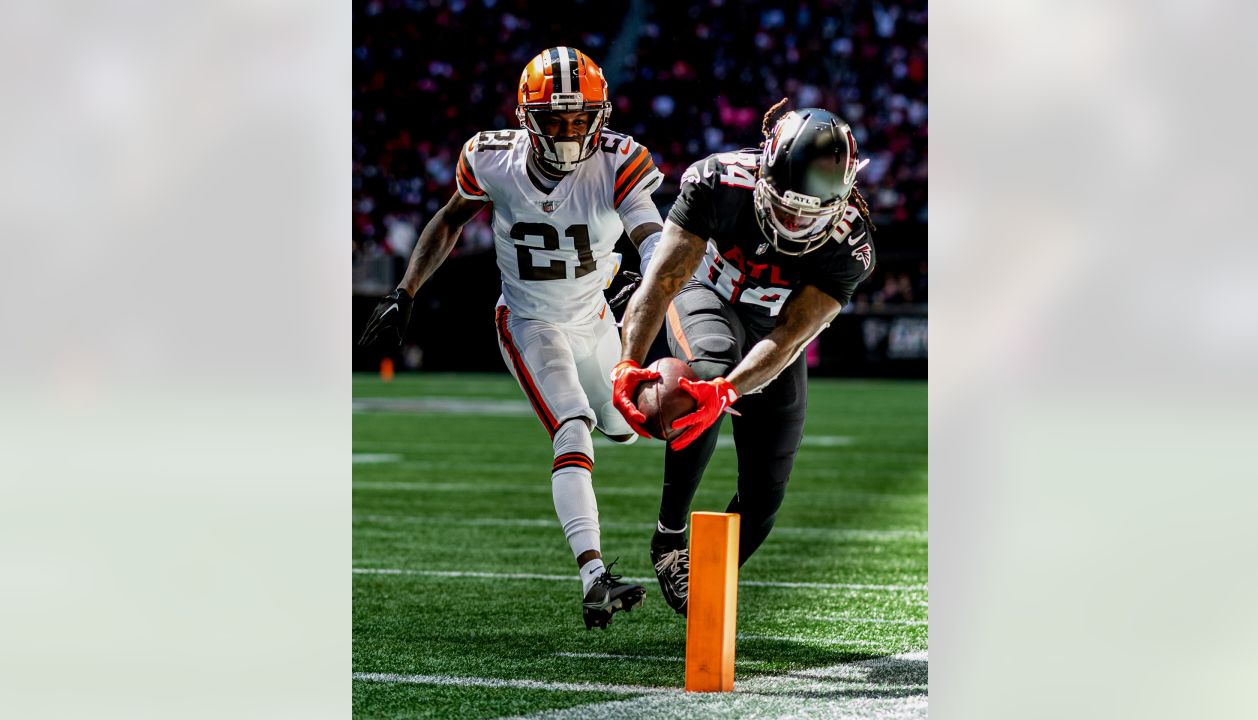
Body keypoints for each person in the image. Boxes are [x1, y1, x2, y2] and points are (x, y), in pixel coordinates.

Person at [359, 47, 665, 629]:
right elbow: (451, 218)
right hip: (529, 320)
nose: (571, 131)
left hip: (596, 317)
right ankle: (593, 574)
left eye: (581, 119)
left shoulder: (619, 160)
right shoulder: (492, 160)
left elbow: (650, 233)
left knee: (628, 427)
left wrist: (658, 276)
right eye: (555, 118)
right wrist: (406, 290)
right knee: (573, 426)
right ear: (527, 116)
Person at [610, 103, 877, 615]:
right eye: (787, 205)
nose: (795, 221)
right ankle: (670, 535)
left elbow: (790, 336)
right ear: (764, 175)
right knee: (704, 376)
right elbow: (664, 279)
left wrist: (730, 391)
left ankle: (708, 577)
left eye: (810, 212)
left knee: (765, 495)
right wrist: (628, 363)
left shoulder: (851, 244)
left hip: (772, 330)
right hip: (705, 293)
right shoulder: (717, 182)